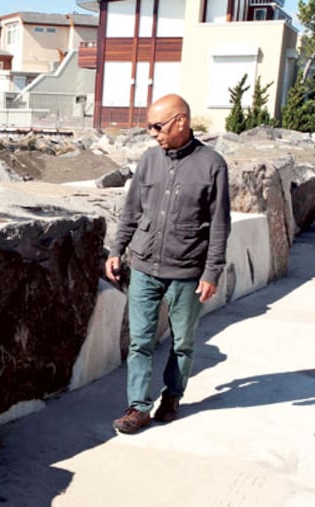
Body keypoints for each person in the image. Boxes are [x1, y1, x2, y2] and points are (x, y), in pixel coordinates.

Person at [105, 94, 231, 434]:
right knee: (139, 341)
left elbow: (220, 225)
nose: (152, 134)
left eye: (157, 126)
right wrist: (117, 250)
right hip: (145, 267)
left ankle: (172, 397)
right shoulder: (148, 160)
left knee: (182, 343)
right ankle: (138, 407)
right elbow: (131, 210)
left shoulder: (212, 165)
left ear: (181, 122)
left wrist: (212, 271)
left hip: (187, 273)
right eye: (148, 126)